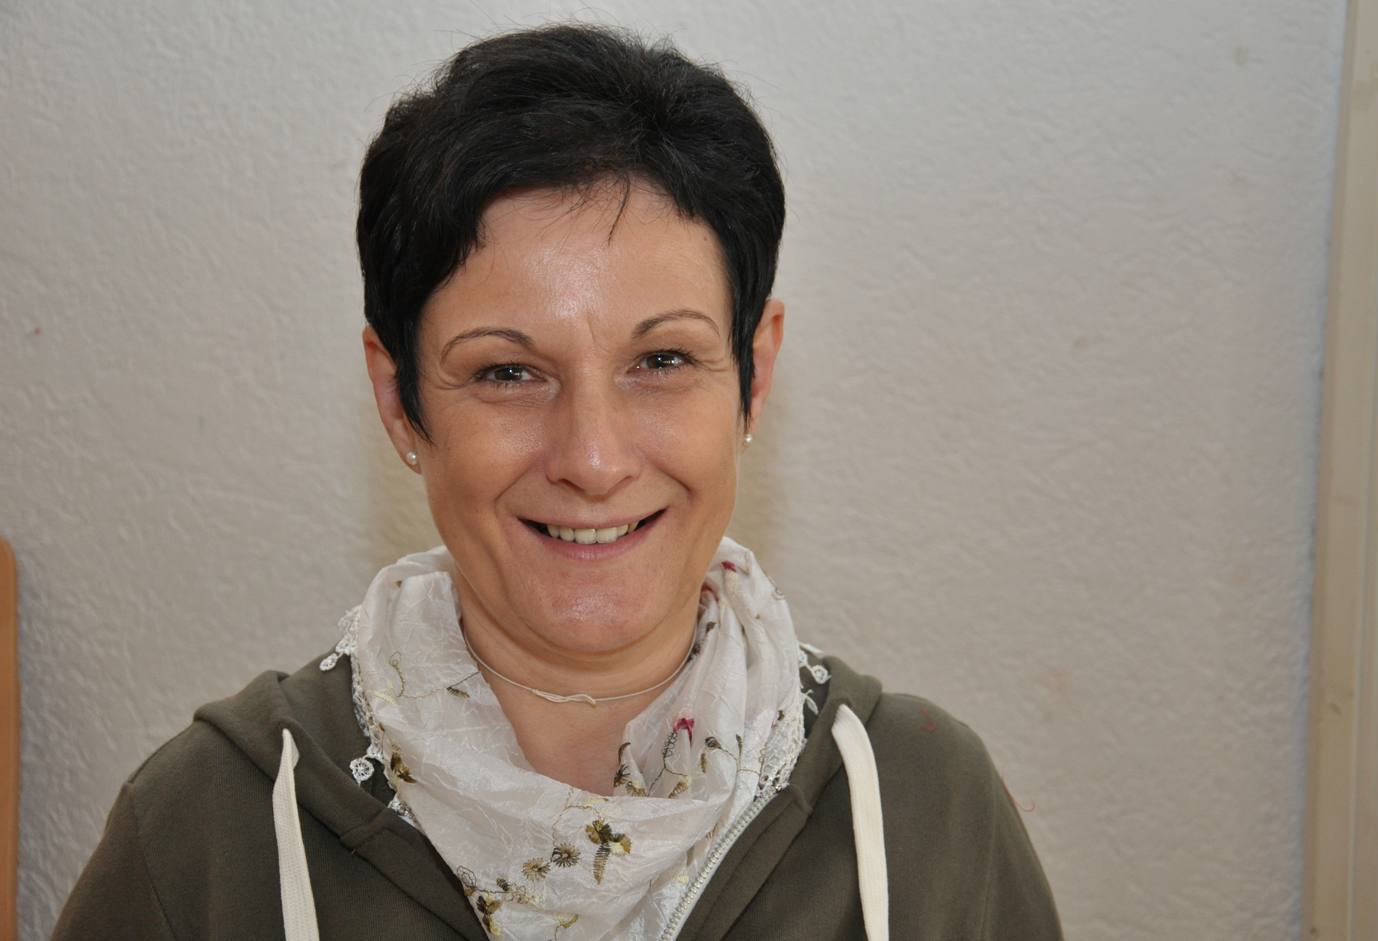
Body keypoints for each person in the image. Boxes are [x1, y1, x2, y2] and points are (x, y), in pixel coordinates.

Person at [52, 24, 1062, 941]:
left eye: (661, 360)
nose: (592, 456)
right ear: (400, 400)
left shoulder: (926, 816)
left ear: (753, 377)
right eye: (507, 372)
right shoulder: (206, 835)